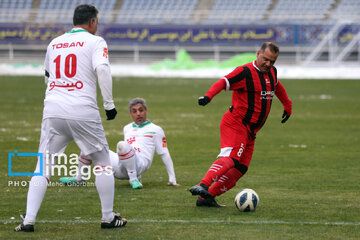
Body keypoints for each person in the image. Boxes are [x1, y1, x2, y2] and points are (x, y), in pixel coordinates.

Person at [15, 4, 127, 232]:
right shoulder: (96, 41)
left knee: (43, 166)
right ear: (93, 22)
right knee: (103, 163)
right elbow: (103, 70)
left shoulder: (54, 43)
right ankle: (108, 217)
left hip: (53, 109)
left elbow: (47, 77)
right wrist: (109, 105)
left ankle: (28, 220)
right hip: (83, 109)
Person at [189, 42, 292, 207]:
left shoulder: (272, 72)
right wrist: (208, 96)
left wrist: (287, 105)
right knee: (231, 158)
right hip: (236, 123)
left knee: (240, 168)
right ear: (258, 53)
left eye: (272, 61)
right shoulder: (245, 72)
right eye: (265, 59)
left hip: (251, 130)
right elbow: (223, 82)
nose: (268, 64)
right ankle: (203, 184)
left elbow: (277, 86)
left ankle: (205, 198)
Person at [60, 97, 180, 189]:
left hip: (140, 165)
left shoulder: (156, 129)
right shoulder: (127, 128)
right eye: (134, 111)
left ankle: (133, 179)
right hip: (121, 166)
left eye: (141, 110)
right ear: (130, 114)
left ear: (146, 111)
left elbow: (164, 154)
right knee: (91, 145)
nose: (138, 113)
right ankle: (79, 179)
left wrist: (172, 178)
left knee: (122, 145)